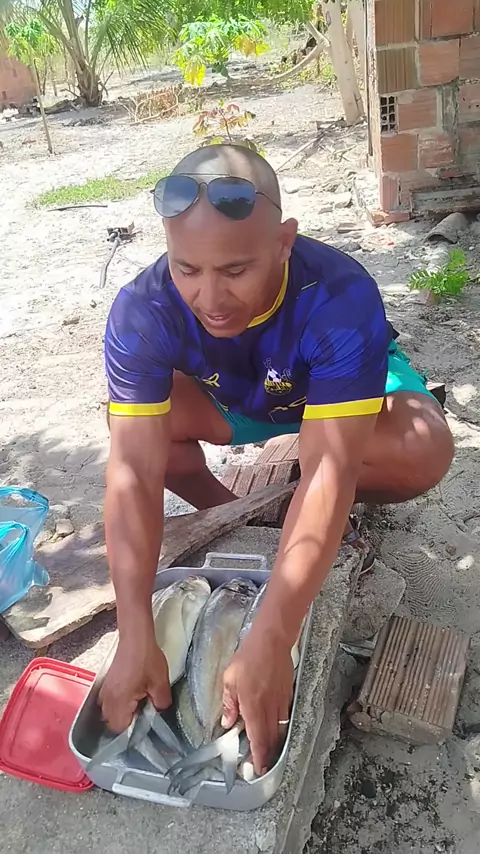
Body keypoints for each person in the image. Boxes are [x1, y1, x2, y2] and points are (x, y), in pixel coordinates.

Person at [100, 143, 454, 775]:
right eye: (187, 269)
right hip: (239, 397)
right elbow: (131, 473)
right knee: (134, 431)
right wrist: (133, 632)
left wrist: (272, 635)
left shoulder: (340, 294)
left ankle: (306, 519)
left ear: (284, 242)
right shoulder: (141, 309)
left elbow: (328, 471)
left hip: (344, 395)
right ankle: (245, 515)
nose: (210, 297)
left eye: (236, 270)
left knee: (423, 450)